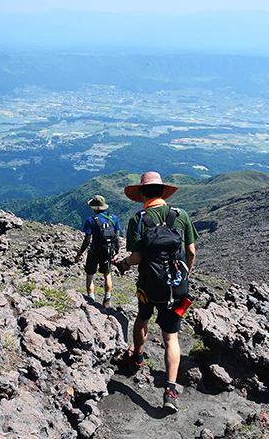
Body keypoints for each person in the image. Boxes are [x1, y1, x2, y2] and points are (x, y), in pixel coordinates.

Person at [113, 171, 198, 413]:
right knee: (171, 337)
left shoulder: (138, 219)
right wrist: (186, 274)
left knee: (142, 318)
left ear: (141, 194)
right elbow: (191, 251)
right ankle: (170, 391)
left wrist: (124, 264)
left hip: (148, 286)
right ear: (163, 192)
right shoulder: (180, 216)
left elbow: (137, 257)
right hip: (176, 287)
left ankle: (137, 357)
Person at [74, 195, 121, 308]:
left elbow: (87, 240)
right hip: (108, 253)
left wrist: (79, 253)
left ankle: (91, 299)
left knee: (90, 275)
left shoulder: (91, 220)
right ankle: (107, 298)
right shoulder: (113, 218)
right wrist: (116, 253)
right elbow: (116, 237)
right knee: (107, 275)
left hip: (94, 252)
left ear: (94, 208)